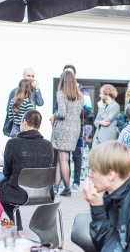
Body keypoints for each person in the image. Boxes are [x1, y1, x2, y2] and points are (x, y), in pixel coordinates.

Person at [0, 110, 54, 237]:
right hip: (44, 193)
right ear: (39, 126)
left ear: (23, 122)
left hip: (19, 193)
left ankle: (19, 228)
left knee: (1, 182)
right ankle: (19, 229)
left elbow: (7, 172)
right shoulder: (48, 145)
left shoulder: (13, 143)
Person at [58, 64, 92, 192]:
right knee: (63, 157)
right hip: (62, 128)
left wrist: (73, 115)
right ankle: (63, 181)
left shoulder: (82, 90)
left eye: (70, 73)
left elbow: (88, 109)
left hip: (78, 128)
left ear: (75, 75)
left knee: (77, 154)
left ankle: (76, 182)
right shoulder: (61, 91)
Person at [50, 71, 84, 197]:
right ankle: (56, 186)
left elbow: (62, 113)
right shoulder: (80, 95)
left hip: (63, 128)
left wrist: (54, 115)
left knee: (63, 159)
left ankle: (67, 188)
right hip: (74, 128)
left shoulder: (61, 94)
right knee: (61, 159)